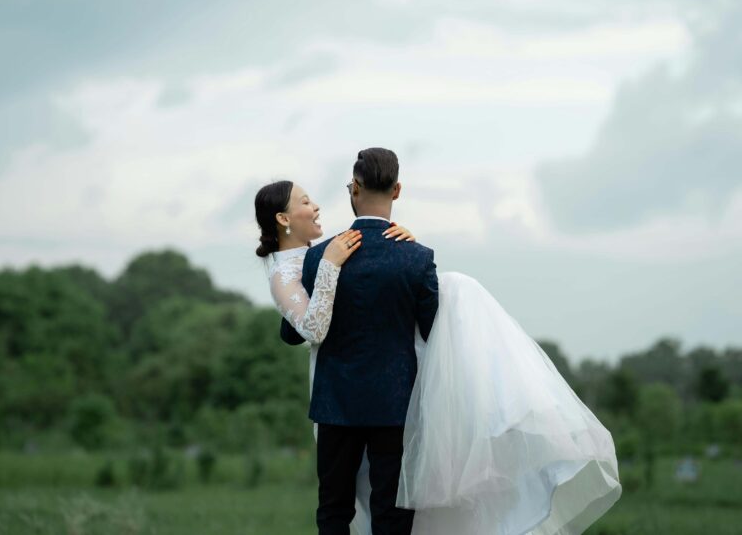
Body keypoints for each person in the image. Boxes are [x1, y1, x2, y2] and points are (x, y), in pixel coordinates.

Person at [256, 148, 621, 535]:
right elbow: (435, 332)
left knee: (333, 510)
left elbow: (295, 330)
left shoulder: (321, 258)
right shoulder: (416, 257)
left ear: (355, 188)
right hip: (396, 407)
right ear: (397, 191)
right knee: (391, 513)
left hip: (336, 404)